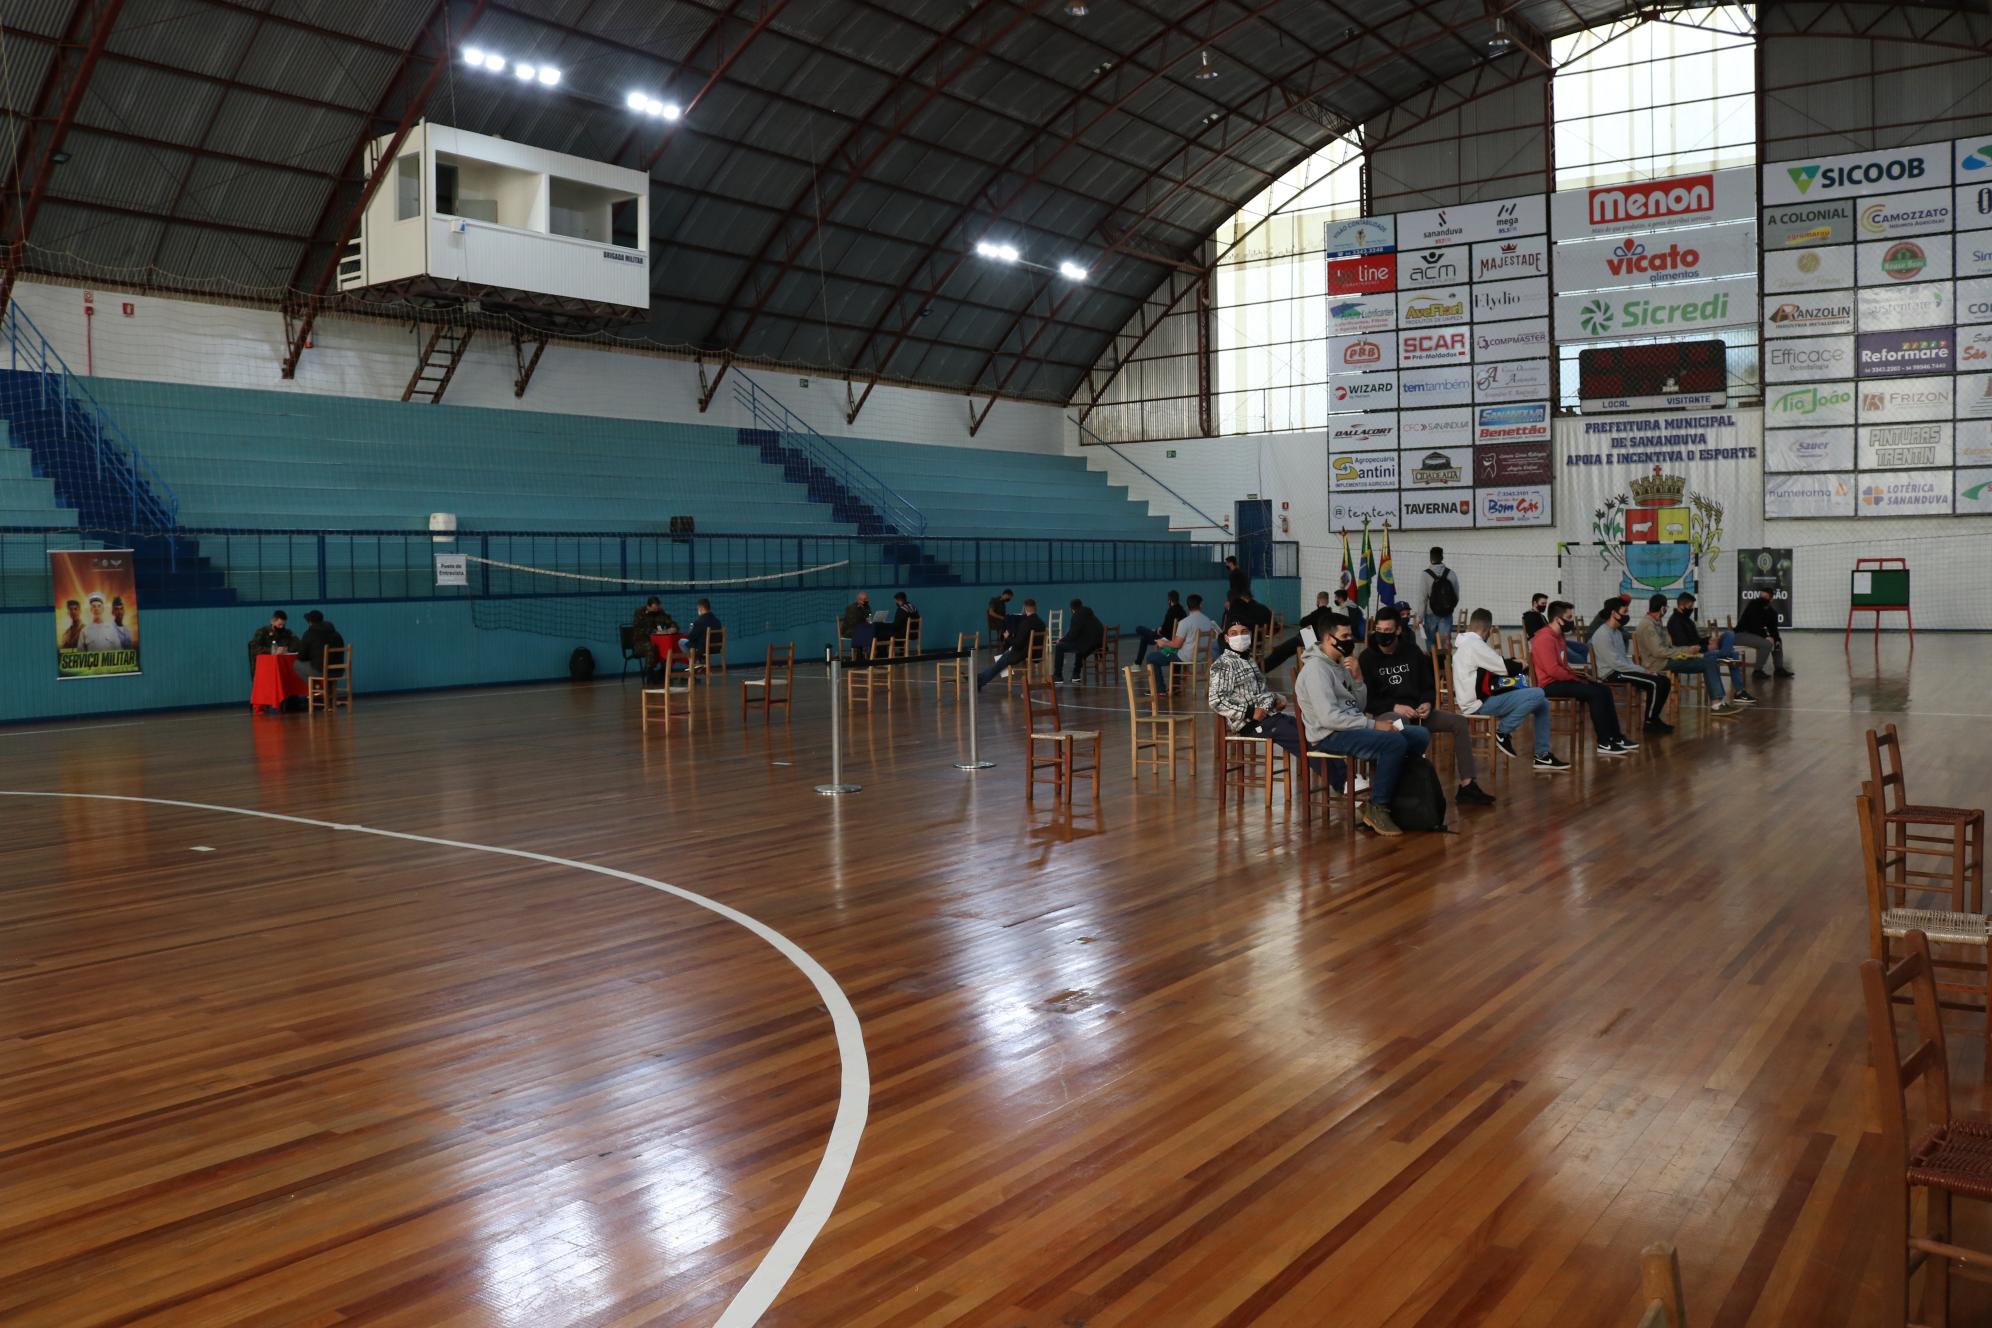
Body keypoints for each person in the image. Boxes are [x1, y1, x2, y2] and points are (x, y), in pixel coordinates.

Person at [1294, 614, 1433, 836]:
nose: (1350, 640)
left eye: (1350, 635)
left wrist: (1358, 679)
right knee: (1394, 742)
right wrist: (1374, 725)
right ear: (1328, 638)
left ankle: (1398, 793)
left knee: (1419, 735)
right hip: (1330, 735)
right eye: (1345, 636)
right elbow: (1330, 718)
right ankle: (1377, 806)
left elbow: (1358, 706)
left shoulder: (1340, 664)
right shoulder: (1316, 670)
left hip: (1351, 726)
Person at [1359, 606, 1494, 805]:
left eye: (1388, 630)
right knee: (1401, 724)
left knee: (1458, 722)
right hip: (1388, 714)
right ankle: (1400, 788)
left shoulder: (1412, 652)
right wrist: (1395, 706)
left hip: (1419, 712)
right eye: (1379, 630)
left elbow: (1428, 686)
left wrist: (1427, 703)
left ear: (1398, 630)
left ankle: (1468, 785)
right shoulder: (1367, 658)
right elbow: (1367, 700)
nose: (1382, 635)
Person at [1452, 608, 1566, 771]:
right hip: (1478, 704)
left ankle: (1542, 755)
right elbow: (1503, 668)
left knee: (1543, 704)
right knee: (1538, 693)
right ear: (1488, 630)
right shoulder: (1475, 645)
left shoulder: (1466, 643)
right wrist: (1521, 664)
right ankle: (1502, 731)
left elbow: (1495, 664)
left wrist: (1514, 662)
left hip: (1477, 699)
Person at [1529, 600, 1637, 756]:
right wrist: (1575, 678)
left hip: (1561, 680)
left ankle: (1616, 737)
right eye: (1569, 617)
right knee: (1595, 693)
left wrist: (1579, 676)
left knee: (1604, 689)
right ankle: (1604, 742)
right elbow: (1553, 670)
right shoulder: (1545, 638)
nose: (1571, 620)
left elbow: (1563, 665)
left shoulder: (1559, 637)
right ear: (1558, 619)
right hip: (1549, 685)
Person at [1636, 594, 1742, 715]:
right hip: (1660, 663)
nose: (1666, 610)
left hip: (1668, 658)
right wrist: (1687, 651)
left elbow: (1669, 647)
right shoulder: (1648, 625)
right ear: (1662, 608)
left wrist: (1689, 649)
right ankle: (1717, 704)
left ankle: (1719, 701)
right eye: (1666, 607)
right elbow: (1659, 651)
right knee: (1708, 662)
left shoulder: (1656, 622)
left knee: (1711, 657)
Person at [1587, 597, 1673, 734]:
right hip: (1610, 673)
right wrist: (1643, 670)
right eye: (1624, 612)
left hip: (1620, 669)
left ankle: (1654, 719)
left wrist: (1642, 670)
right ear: (1614, 613)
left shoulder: (1616, 632)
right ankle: (1650, 723)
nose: (1627, 615)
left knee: (1665, 681)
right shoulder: (1603, 634)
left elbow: (1623, 660)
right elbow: (1616, 663)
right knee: (1655, 683)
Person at [1667, 592, 1755, 704]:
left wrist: (1709, 640)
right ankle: (1739, 691)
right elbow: (1684, 645)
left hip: (1702, 648)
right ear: (1682, 605)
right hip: (1695, 654)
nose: (1692, 609)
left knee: (1729, 634)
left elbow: (1696, 640)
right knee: (1733, 654)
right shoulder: (1675, 621)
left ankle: (1725, 657)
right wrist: (1707, 647)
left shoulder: (1687, 620)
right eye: (1690, 606)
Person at [1146, 593, 1215, 692]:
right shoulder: (1208, 621)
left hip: (1187, 656)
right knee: (1176, 653)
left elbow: (1177, 644)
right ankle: (1175, 686)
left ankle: (1159, 690)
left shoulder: (1185, 622)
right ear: (1201, 605)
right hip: (1202, 656)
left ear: (1187, 606)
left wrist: (1163, 643)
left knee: (1152, 658)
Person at [976, 597, 1045, 690]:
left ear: (1025, 609)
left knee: (999, 662)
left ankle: (979, 680)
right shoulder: (1041, 623)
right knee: (1000, 660)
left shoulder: (1025, 623)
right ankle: (980, 678)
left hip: (1021, 653)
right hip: (1035, 653)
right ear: (1035, 608)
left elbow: (1017, 644)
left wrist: (1007, 638)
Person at [1735, 584, 1794, 679]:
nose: (1761, 599)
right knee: (1767, 644)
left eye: (1765, 597)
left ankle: (1779, 669)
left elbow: (1773, 629)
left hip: (1754, 635)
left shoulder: (1772, 612)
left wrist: (1776, 639)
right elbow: (1753, 625)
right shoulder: (1753, 604)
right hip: (1741, 634)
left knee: (1777, 641)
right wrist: (1766, 636)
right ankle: (1757, 671)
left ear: (1771, 599)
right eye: (1761, 596)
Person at [1052, 598, 1104, 684]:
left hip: (1087, 646)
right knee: (1079, 645)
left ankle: (1058, 676)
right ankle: (1076, 675)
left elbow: (1072, 635)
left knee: (1059, 646)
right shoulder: (1090, 614)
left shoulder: (1076, 616)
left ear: (1072, 609)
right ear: (1081, 605)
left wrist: (1060, 640)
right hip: (1098, 644)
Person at [1420, 547, 1460, 651]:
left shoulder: (1425, 574)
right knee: (1445, 642)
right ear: (1442, 557)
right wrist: (1449, 607)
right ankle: (1446, 660)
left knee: (1431, 642)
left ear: (1430, 559)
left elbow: (1423, 598)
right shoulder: (1451, 573)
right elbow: (1456, 596)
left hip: (1430, 613)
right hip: (1446, 613)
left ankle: (1432, 660)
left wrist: (1420, 617)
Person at [1133, 590, 1183, 664]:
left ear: (1170, 600)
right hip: (1176, 638)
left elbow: (1165, 630)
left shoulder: (1171, 611)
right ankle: (1137, 663)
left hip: (1165, 639)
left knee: (1139, 629)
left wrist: (1158, 630)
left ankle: (1137, 664)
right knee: (1144, 639)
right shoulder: (1182, 611)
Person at [632, 596, 674, 683]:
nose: (656, 610)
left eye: (657, 607)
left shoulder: (660, 612)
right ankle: (649, 674)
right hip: (641, 642)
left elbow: (670, 622)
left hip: (658, 641)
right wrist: (654, 632)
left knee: (667, 646)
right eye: (654, 608)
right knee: (651, 647)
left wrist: (673, 628)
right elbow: (640, 629)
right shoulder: (640, 612)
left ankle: (665, 672)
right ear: (649, 606)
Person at [294, 609, 345, 680]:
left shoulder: (309, 634)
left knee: (296, 664)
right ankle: (328, 686)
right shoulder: (336, 634)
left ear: (310, 622)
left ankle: (316, 686)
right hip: (339, 671)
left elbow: (301, 657)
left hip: (322, 671)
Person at [246, 609, 297, 673]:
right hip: (265, 666)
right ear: (272, 622)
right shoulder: (262, 632)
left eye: (283, 625)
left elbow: (297, 644)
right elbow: (254, 648)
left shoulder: (287, 633)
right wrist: (272, 650)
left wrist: (286, 649)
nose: (281, 627)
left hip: (282, 666)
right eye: (279, 624)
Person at [841, 592, 880, 658]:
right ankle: (859, 655)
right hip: (849, 630)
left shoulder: (867, 607)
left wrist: (870, 621)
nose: (867, 601)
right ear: (859, 600)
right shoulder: (851, 608)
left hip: (861, 628)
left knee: (873, 632)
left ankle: (873, 654)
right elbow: (853, 623)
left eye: (867, 599)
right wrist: (865, 622)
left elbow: (869, 617)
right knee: (862, 632)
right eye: (865, 599)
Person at [686, 598, 722, 667]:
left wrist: (691, 629)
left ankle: (693, 666)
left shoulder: (699, 622)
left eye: (698, 609)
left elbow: (691, 637)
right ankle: (701, 662)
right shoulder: (717, 621)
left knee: (683, 642)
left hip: (704, 649)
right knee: (695, 643)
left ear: (701, 608)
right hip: (716, 648)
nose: (698, 611)